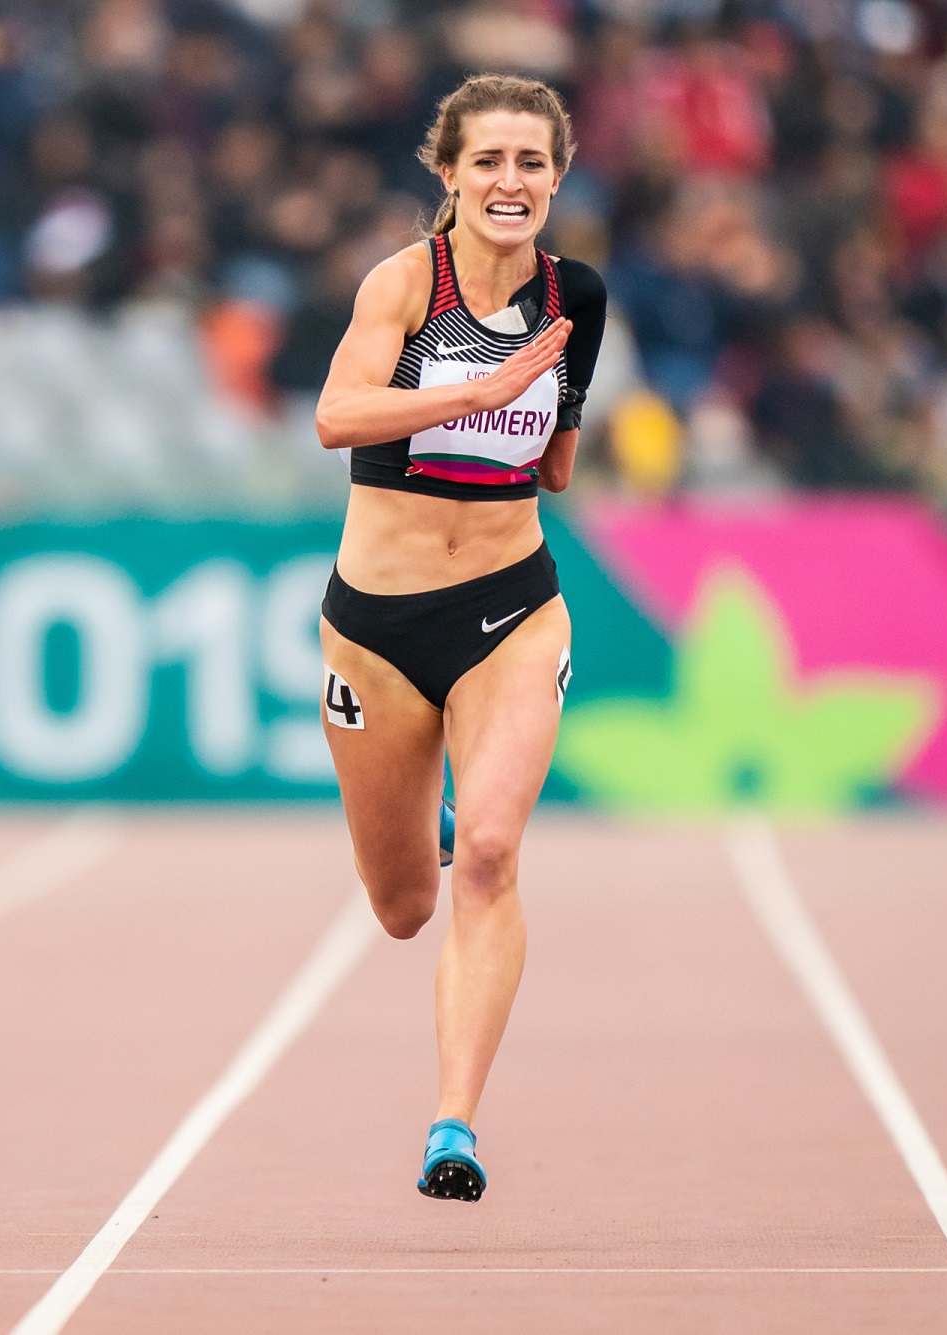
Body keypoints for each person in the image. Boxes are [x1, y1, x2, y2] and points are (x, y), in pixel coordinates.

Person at [312, 74, 606, 1202]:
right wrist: (478, 393)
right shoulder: (404, 284)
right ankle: (418, 808)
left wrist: (535, 409)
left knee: (490, 852)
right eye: (488, 161)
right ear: (447, 175)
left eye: (531, 163)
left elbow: (559, 461)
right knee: (402, 907)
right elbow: (337, 416)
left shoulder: (577, 294)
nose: (509, 182)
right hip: (377, 630)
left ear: (558, 178)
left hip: (511, 609)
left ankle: (454, 1128)